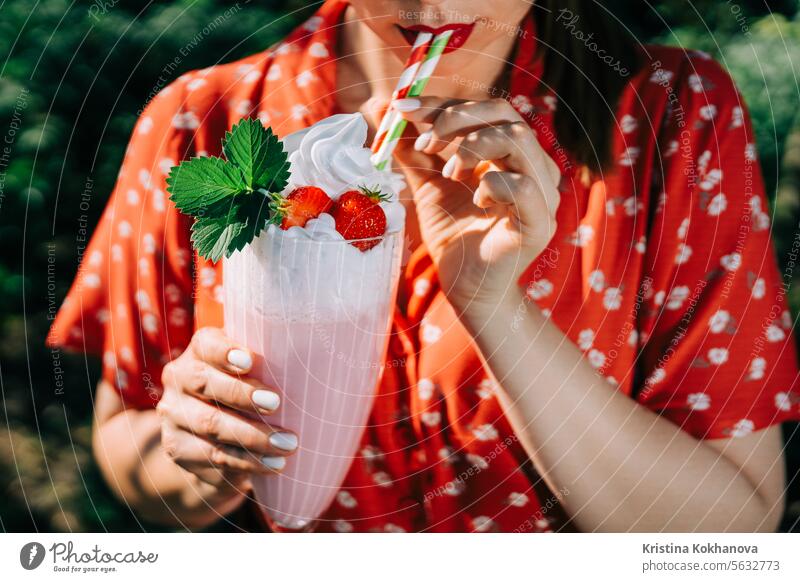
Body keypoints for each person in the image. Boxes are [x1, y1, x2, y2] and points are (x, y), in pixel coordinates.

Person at [48, 0, 800, 533]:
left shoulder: (673, 117)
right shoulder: (201, 123)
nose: (433, 2)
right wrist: (193, 463)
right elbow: (126, 446)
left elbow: (735, 528)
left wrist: (497, 308)